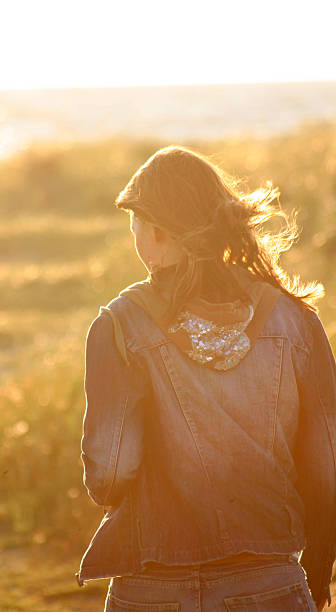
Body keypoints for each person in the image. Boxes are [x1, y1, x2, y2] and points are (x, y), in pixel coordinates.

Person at [75, 145, 336, 611]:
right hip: (272, 581)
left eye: (135, 228)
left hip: (151, 588)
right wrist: (315, 571)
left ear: (155, 230)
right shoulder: (295, 320)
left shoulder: (119, 324)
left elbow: (110, 475)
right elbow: (329, 468)